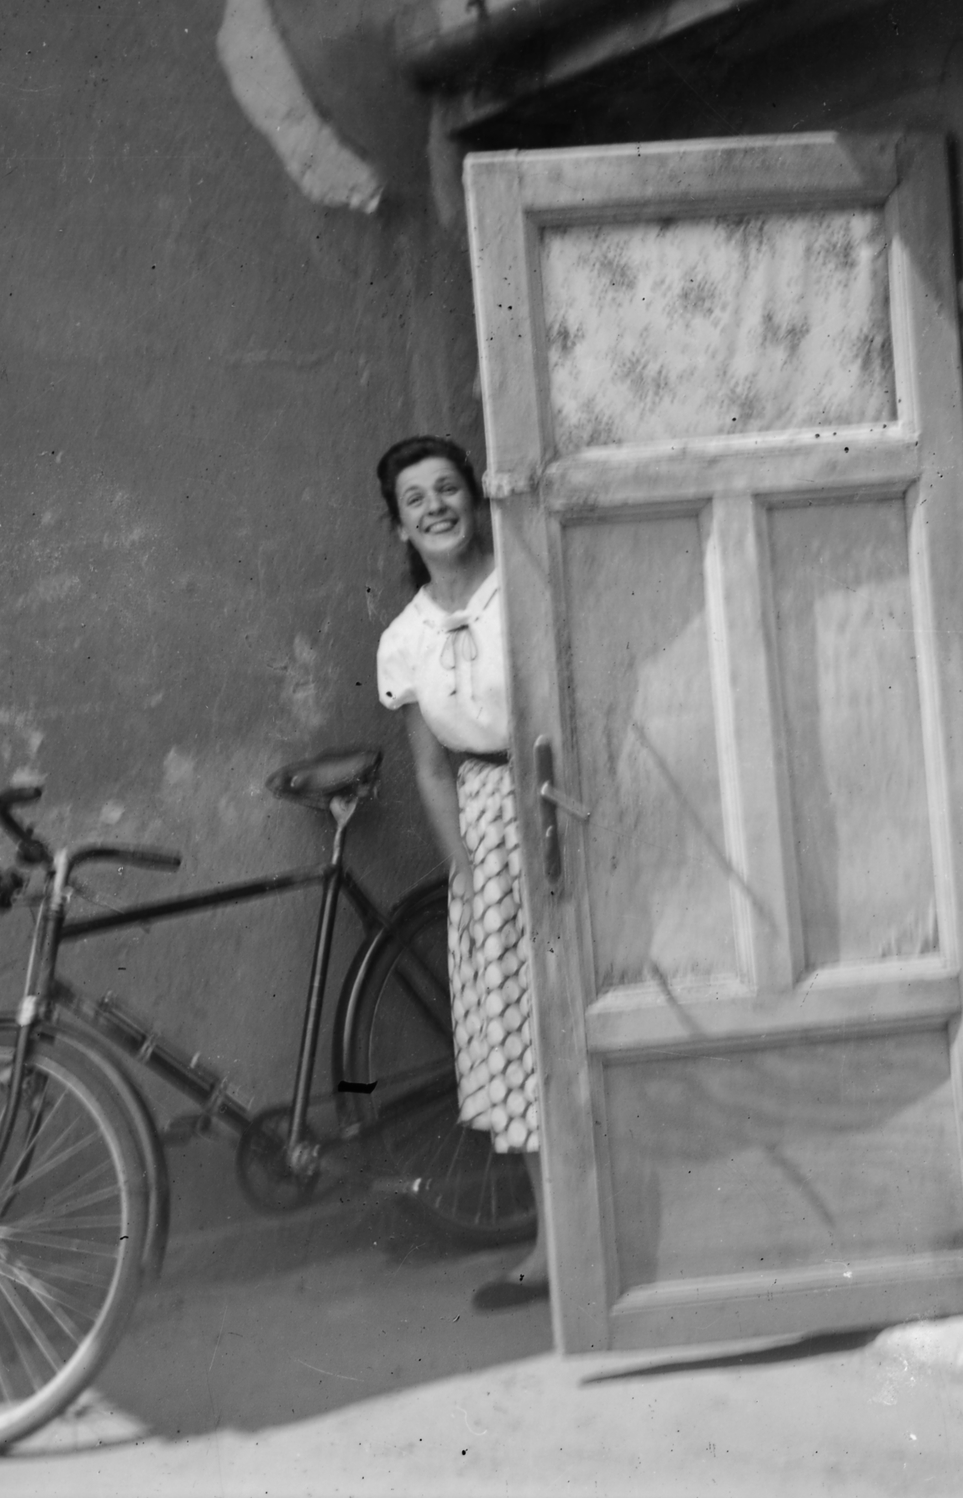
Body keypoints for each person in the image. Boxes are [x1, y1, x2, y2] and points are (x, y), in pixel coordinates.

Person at [374, 435, 548, 1311]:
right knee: (506, 1034)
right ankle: (555, 1245)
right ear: (398, 523)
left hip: (551, 795)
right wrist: (466, 876)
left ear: (474, 500)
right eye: (417, 498)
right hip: (480, 823)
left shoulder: (521, 588)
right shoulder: (404, 641)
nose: (436, 506)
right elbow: (431, 770)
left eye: (449, 489)